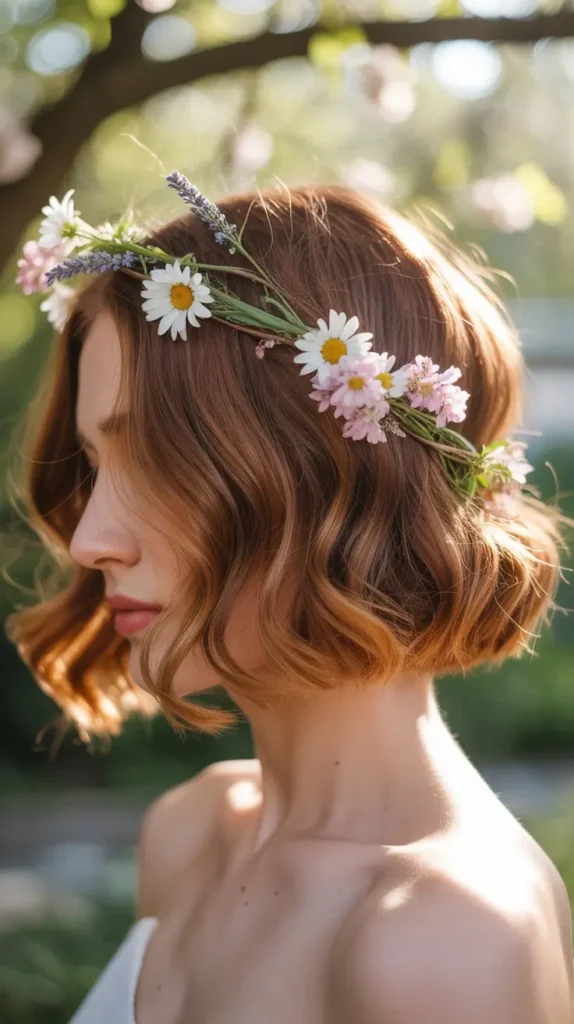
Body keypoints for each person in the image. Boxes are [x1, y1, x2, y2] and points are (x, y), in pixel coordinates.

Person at [6, 176, 574, 1023]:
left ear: (339, 475)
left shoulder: (447, 936)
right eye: (93, 468)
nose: (90, 541)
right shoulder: (191, 834)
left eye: (156, 462)